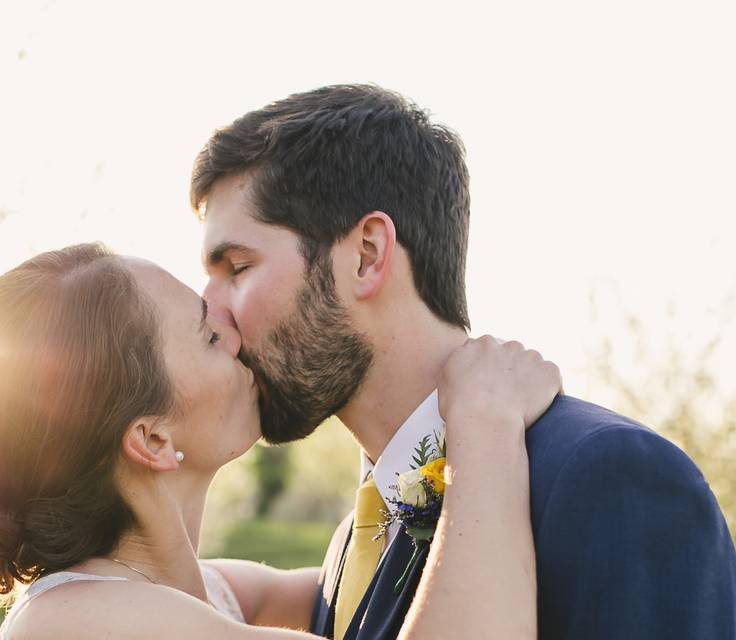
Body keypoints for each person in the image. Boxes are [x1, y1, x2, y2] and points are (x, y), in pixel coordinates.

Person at [192, 84, 736, 639]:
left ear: (367, 255)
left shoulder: (612, 477)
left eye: (237, 267)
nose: (210, 313)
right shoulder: (356, 539)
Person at [0, 242, 561, 639]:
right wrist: (483, 423)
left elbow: (371, 586)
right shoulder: (77, 627)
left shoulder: (205, 593)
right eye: (209, 336)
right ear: (153, 438)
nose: (236, 331)